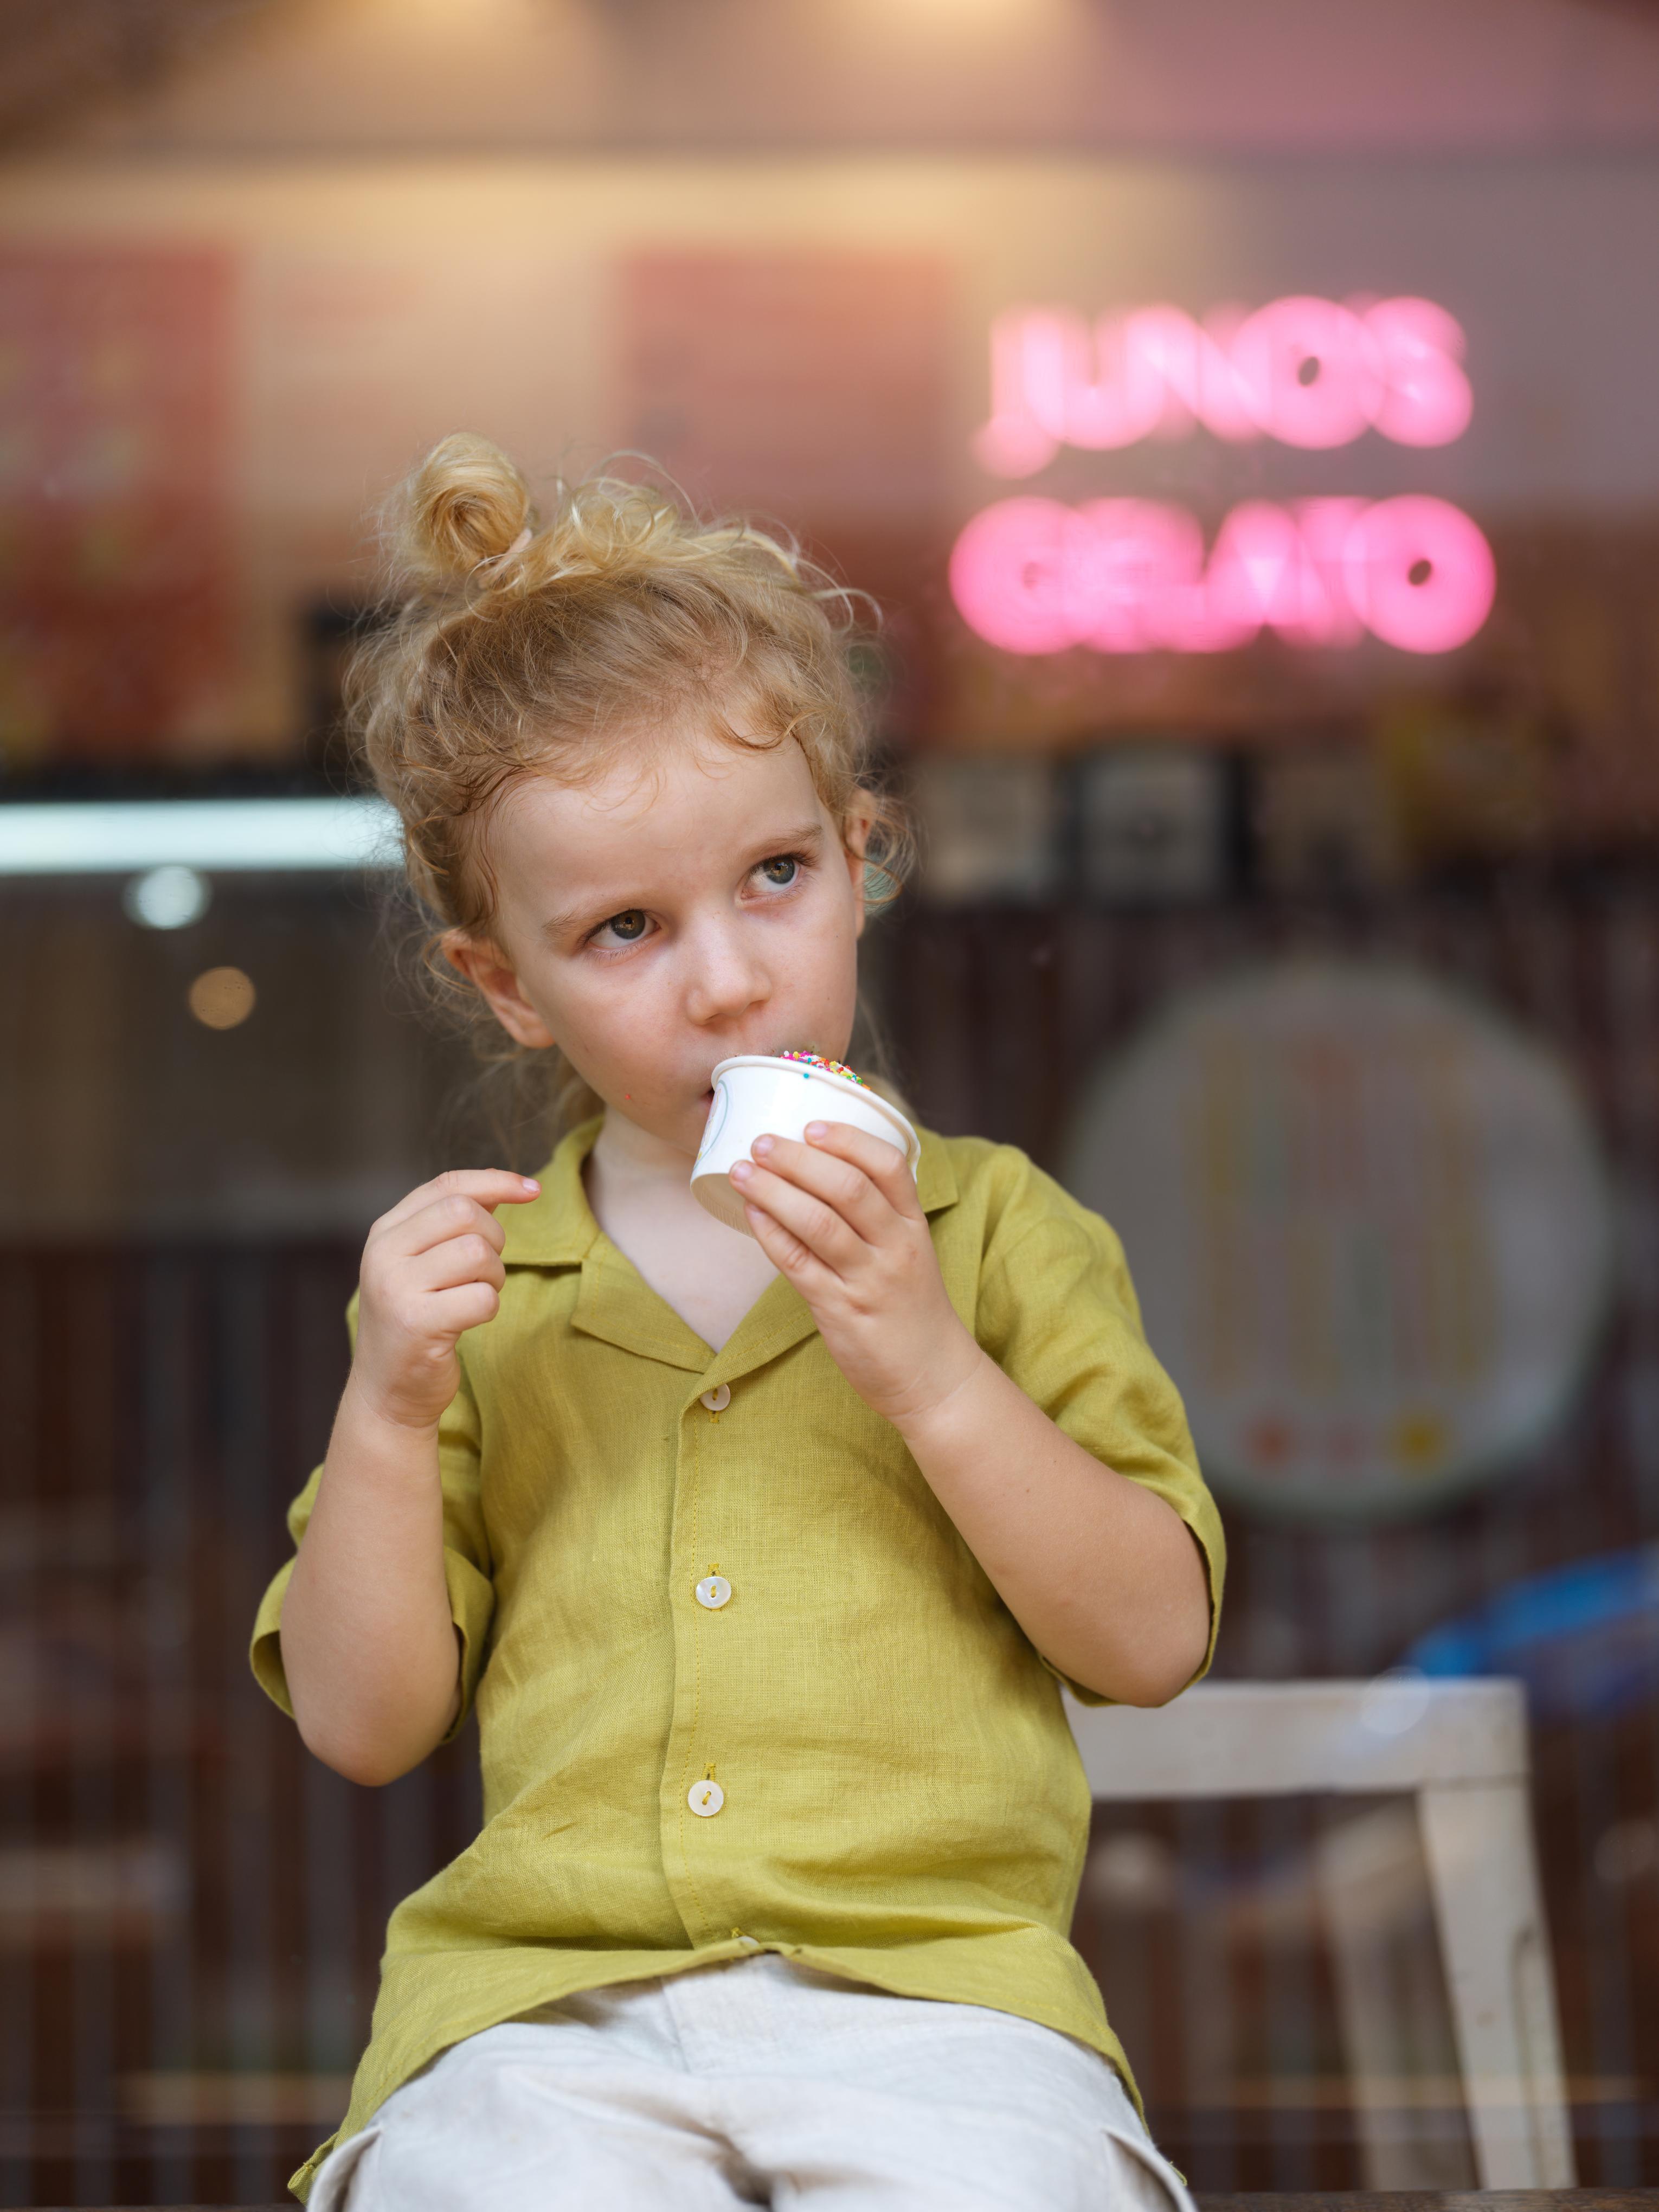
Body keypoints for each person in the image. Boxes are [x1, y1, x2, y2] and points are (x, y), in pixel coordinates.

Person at [251, 432, 1225, 2210]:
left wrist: (928, 1364)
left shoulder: (1000, 1235)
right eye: (625, 927)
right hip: (542, 2021)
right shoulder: (475, 1298)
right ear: (504, 986)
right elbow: (361, 1723)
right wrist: (384, 1416)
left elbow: (1151, 1639)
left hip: (940, 2005)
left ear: (861, 858)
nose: (726, 975)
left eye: (776, 876)